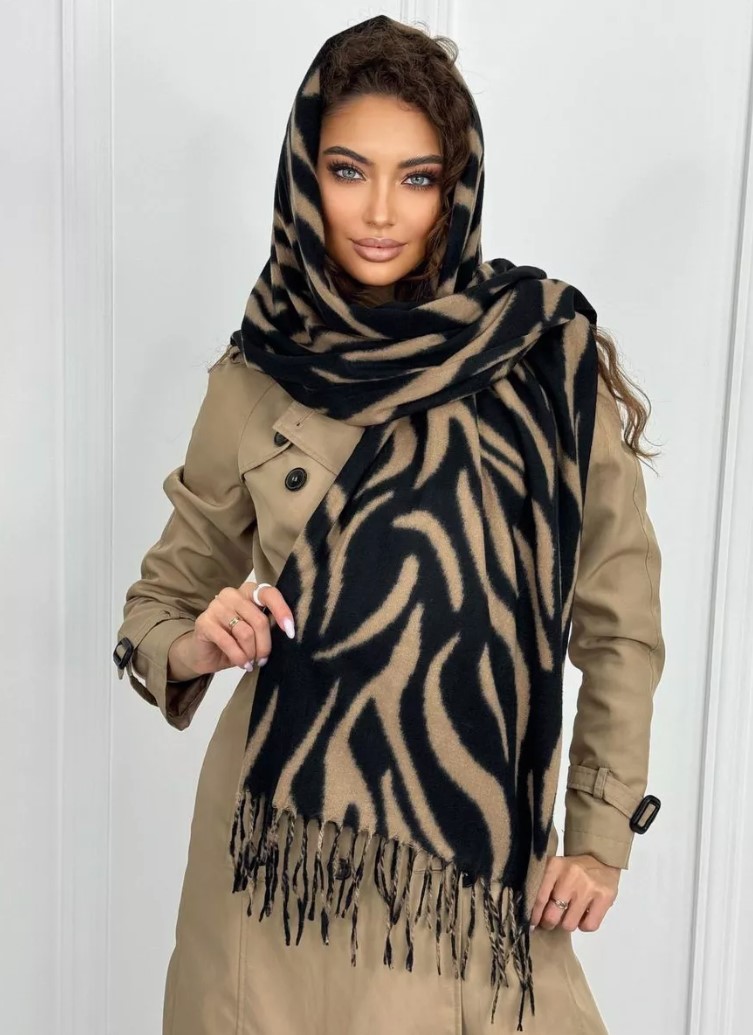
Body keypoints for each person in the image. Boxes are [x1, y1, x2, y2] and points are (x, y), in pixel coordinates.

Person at [113, 14, 665, 1035]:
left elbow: (620, 624)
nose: (378, 212)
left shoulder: (545, 360)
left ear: (457, 188)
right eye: (346, 170)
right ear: (303, 176)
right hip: (278, 873)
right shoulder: (254, 377)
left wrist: (599, 834)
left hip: (471, 882)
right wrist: (199, 643)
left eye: (416, 178)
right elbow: (157, 604)